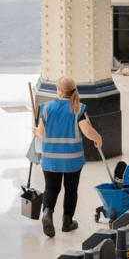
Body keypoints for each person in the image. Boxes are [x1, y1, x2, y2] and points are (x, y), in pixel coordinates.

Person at [33, 77, 103, 238]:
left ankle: (47, 214)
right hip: (72, 160)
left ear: (58, 90)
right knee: (71, 190)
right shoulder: (77, 108)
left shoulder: (46, 108)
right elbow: (87, 131)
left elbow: (42, 134)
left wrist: (36, 131)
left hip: (50, 160)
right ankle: (67, 222)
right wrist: (98, 138)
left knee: (51, 188)